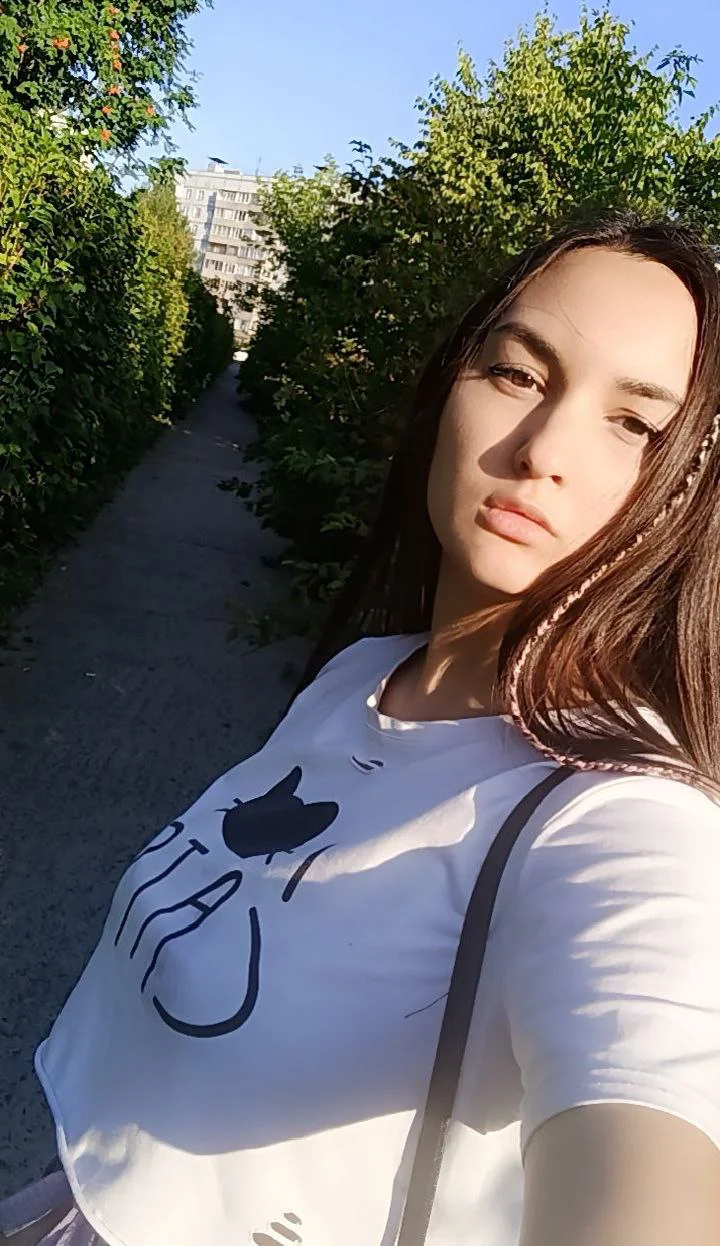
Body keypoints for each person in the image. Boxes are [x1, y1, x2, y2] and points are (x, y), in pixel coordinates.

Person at [3, 213, 720, 1246]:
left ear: (690, 488)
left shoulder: (621, 821)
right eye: (517, 373)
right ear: (449, 387)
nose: (542, 452)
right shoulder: (364, 677)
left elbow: (647, 1135)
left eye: (634, 424)